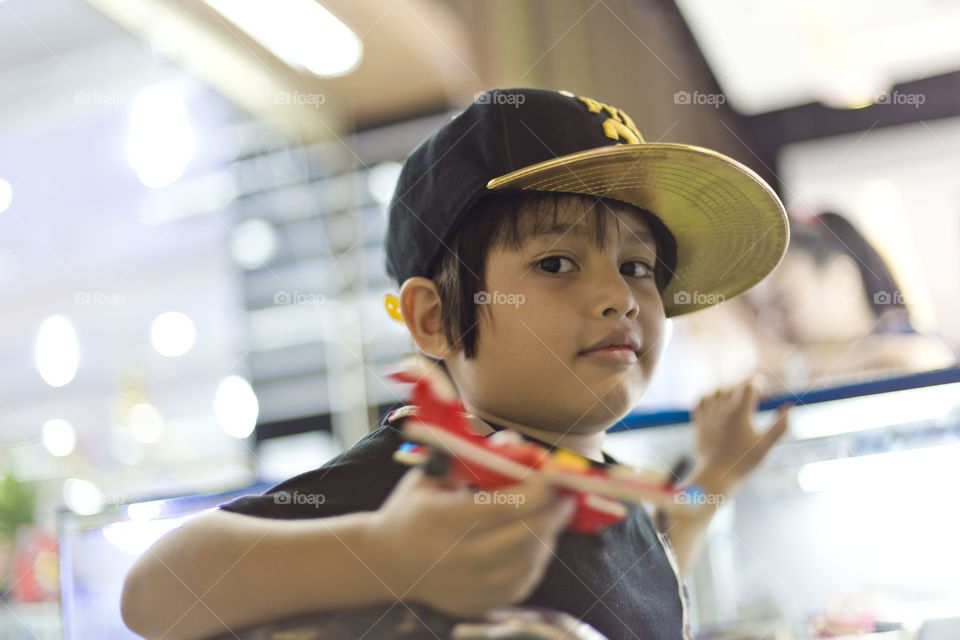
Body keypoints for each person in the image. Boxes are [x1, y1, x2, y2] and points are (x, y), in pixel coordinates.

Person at [120, 88, 793, 640]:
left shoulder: (601, 488)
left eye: (638, 267)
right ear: (434, 319)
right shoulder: (428, 478)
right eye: (556, 263)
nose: (620, 297)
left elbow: (644, 577)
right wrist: (389, 556)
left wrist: (715, 478)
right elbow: (156, 589)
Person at [749, 212, 958, 389]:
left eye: (784, 304)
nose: (771, 325)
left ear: (843, 279)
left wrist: (794, 363)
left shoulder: (909, 343)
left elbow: (922, 359)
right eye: (763, 311)